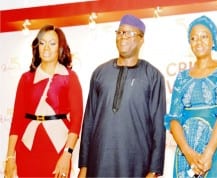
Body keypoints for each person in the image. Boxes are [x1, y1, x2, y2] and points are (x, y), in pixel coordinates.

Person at [77, 14, 166, 177]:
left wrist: (153, 171)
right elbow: (89, 121)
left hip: (136, 165)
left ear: (141, 39)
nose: (122, 36)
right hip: (99, 163)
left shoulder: (153, 76)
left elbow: (158, 128)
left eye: (129, 33)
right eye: (120, 32)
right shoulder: (100, 73)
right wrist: (83, 165)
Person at [4, 25, 84, 178]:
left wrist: (67, 155)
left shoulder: (70, 77)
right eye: (42, 42)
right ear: (37, 46)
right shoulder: (26, 79)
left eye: (52, 43)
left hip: (58, 148)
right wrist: (9, 157)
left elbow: (76, 122)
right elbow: (16, 121)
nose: (46, 47)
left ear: (60, 48)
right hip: (27, 148)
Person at [164, 15, 217, 178]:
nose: (199, 41)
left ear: (213, 40)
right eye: (193, 38)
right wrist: (188, 153)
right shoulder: (181, 77)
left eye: (204, 36)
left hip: (215, 146)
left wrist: (208, 154)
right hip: (185, 149)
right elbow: (174, 119)